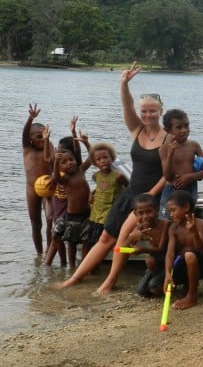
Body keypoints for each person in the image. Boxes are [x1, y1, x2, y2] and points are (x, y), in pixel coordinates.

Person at [59, 62, 168, 290]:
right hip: (130, 194)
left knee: (122, 239)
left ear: (161, 112)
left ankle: (109, 283)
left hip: (149, 199)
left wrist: (151, 194)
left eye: (152, 111)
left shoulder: (167, 139)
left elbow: (169, 174)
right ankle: (74, 279)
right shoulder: (137, 130)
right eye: (144, 111)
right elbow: (126, 107)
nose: (148, 114)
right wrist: (123, 83)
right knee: (105, 238)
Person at [158, 108, 203, 218]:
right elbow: (167, 177)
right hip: (171, 190)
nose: (184, 130)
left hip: (190, 189)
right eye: (179, 127)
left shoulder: (194, 146)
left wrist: (190, 177)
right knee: (166, 221)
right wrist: (171, 154)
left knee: (187, 220)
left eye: (186, 126)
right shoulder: (164, 149)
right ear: (168, 130)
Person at [163, 190, 203, 309]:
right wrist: (168, 274)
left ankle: (192, 296)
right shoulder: (173, 228)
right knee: (155, 288)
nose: (171, 215)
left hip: (201, 265)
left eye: (173, 210)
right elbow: (170, 253)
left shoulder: (200, 224)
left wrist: (194, 233)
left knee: (189, 254)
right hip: (183, 267)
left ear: (186, 207)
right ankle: (186, 286)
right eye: (169, 212)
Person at [122, 194, 170, 297]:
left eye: (149, 212)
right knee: (142, 291)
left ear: (156, 210)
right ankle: (157, 280)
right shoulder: (140, 227)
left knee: (150, 261)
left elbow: (161, 249)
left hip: (170, 259)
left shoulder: (166, 224)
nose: (145, 216)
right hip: (157, 263)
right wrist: (131, 237)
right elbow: (123, 250)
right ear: (135, 214)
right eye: (141, 213)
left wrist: (143, 250)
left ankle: (160, 281)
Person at [22, 103, 54, 255]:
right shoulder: (27, 148)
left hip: (48, 188)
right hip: (31, 190)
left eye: (44, 136)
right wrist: (30, 118)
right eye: (38, 137)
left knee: (50, 220)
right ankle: (39, 254)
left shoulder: (50, 146)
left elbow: (52, 162)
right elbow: (25, 134)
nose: (42, 139)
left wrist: (47, 140)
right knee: (36, 224)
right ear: (30, 139)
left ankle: (49, 250)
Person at [51, 149, 91, 269]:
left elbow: (90, 158)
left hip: (86, 214)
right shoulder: (65, 179)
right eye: (64, 162)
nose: (69, 163)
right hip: (72, 216)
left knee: (86, 242)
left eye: (71, 160)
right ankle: (72, 268)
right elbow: (56, 177)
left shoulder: (81, 171)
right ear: (60, 167)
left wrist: (86, 143)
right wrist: (56, 162)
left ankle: (85, 267)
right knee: (72, 243)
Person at [86, 143, 129, 252]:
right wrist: (92, 192)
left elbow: (129, 189)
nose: (103, 161)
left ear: (112, 158)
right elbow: (101, 188)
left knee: (104, 238)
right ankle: (94, 264)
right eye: (98, 159)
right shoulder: (95, 175)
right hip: (96, 211)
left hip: (110, 212)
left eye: (105, 157)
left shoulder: (118, 176)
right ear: (95, 163)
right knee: (92, 238)